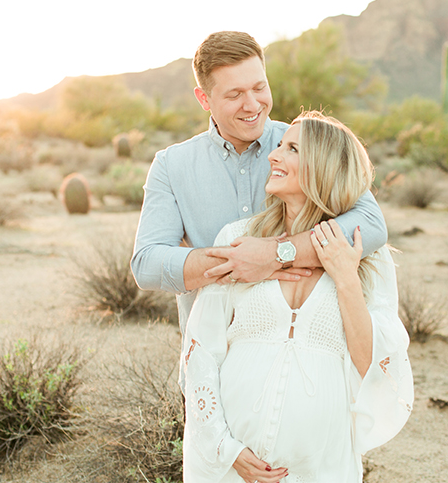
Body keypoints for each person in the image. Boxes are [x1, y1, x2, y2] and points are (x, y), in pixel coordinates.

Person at [182, 111, 413, 482]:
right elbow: (200, 349)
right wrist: (227, 449)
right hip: (232, 465)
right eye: (277, 146)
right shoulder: (238, 240)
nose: (273, 156)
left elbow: (372, 363)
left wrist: (344, 277)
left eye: (291, 149)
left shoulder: (367, 255)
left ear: (323, 167)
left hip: (320, 465)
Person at [131, 31, 388, 343]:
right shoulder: (172, 165)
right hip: (213, 359)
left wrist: (279, 253)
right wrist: (237, 262)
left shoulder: (306, 144)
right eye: (234, 94)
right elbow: (146, 263)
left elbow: (371, 225)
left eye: (259, 87)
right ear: (204, 99)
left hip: (302, 356)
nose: (252, 105)